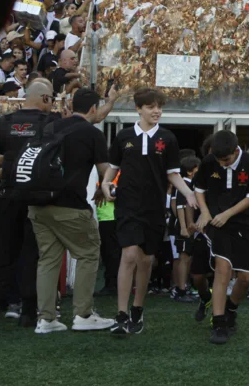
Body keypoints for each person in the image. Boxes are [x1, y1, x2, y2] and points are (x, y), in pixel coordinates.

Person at [101, 88, 198, 335]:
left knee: (146, 261)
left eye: (159, 106)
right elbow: (112, 170)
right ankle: (121, 315)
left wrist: (187, 193)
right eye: (151, 107)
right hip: (127, 205)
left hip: (154, 207)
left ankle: (137, 310)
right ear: (139, 109)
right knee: (129, 255)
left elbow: (173, 174)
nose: (157, 111)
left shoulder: (168, 138)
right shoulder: (123, 137)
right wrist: (104, 184)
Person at [27, 88, 115, 333]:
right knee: (88, 253)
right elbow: (104, 170)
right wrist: (103, 189)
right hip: (71, 206)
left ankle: (46, 319)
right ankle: (83, 314)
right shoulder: (92, 133)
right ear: (94, 109)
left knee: (48, 259)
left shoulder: (53, 126)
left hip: (38, 204)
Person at [0, 80, 57, 328]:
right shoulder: (51, 123)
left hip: (7, 196)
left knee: (1, 253)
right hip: (35, 198)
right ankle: (27, 311)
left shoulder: (2, 123)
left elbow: (5, 153)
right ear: (45, 99)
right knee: (32, 254)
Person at [193, 130, 249, 345]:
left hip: (244, 223)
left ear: (236, 151)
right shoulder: (208, 162)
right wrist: (205, 212)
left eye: (226, 160)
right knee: (222, 269)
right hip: (217, 224)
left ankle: (231, 308)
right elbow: (199, 188)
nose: (222, 164)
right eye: (218, 160)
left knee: (246, 278)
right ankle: (219, 323)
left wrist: (228, 213)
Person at [169, 155, 199, 303]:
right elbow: (179, 206)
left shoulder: (190, 184)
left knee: (187, 257)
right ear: (189, 171)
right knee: (183, 257)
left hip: (189, 227)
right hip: (184, 227)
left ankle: (184, 287)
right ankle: (180, 289)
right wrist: (183, 227)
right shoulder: (183, 185)